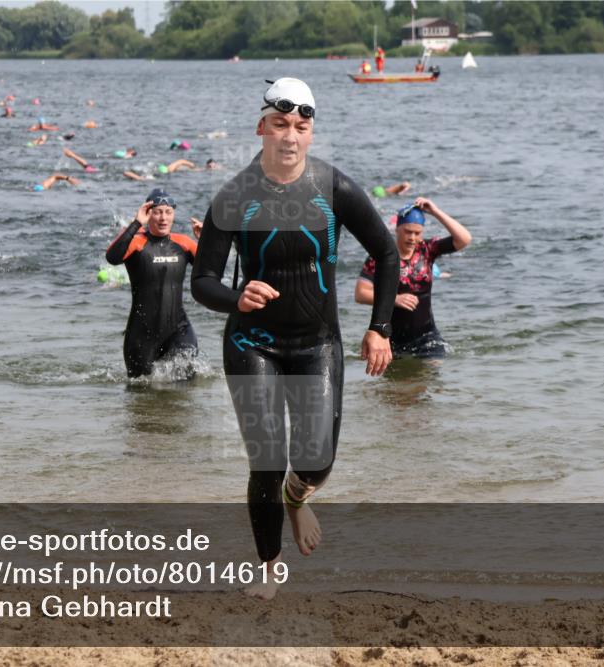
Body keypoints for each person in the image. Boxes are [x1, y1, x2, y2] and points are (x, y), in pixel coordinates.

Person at [191, 77, 398, 600]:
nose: (289, 136)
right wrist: (235, 298)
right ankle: (269, 569)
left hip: (316, 343)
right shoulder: (235, 195)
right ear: (261, 127)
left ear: (311, 133)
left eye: (301, 127)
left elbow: (388, 254)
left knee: (316, 461)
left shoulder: (334, 189)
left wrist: (379, 327)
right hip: (251, 343)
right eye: (280, 124)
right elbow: (203, 281)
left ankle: (297, 496)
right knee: (265, 457)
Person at [355, 197, 471, 359]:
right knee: (396, 384)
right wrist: (395, 299)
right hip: (392, 339)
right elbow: (360, 294)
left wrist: (435, 212)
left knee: (433, 373)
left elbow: (464, 239)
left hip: (427, 337)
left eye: (417, 233)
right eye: (408, 231)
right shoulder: (382, 257)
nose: (412, 237)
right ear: (397, 229)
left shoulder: (427, 250)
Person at [105, 188, 199, 378]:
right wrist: (136, 223)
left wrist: (206, 241)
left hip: (178, 328)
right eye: (157, 212)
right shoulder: (137, 242)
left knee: (187, 381)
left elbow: (212, 269)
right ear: (148, 214)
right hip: (142, 333)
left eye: (168, 212)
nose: (163, 218)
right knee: (141, 391)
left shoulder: (184, 243)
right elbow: (113, 257)